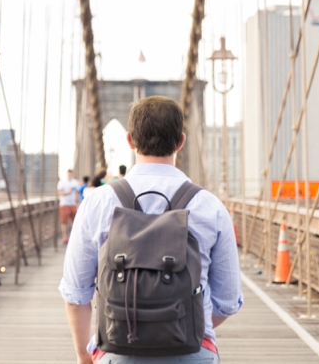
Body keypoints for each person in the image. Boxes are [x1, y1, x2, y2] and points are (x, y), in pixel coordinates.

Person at [60, 96, 242, 363]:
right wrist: (178, 325)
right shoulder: (210, 207)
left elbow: (76, 295)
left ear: (130, 140)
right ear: (181, 141)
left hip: (116, 351)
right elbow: (227, 301)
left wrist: (83, 356)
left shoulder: (96, 203)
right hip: (192, 354)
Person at [57, 169, 81, 244]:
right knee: (64, 222)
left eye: (71, 174)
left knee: (75, 221)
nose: (69, 175)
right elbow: (59, 192)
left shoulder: (75, 182)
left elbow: (77, 193)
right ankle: (65, 237)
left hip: (73, 204)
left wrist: (78, 203)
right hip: (64, 204)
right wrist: (68, 192)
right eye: (68, 174)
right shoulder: (62, 182)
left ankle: (74, 237)